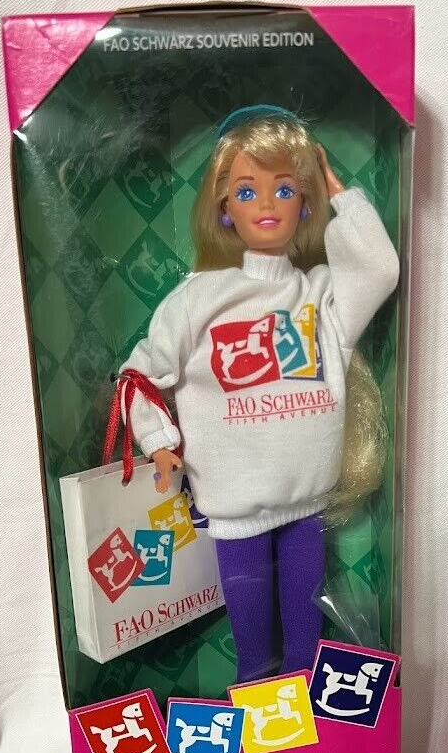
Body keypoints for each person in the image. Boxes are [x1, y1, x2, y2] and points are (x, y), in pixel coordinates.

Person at [119, 105, 400, 683]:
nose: (267, 204)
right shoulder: (199, 299)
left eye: (285, 189)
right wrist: (158, 440)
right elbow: (139, 374)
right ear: (224, 207)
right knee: (252, 641)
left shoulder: (322, 296)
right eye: (247, 191)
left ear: (305, 204)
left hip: (306, 499)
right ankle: (256, 700)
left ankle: (303, 706)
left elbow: (379, 270)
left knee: (305, 633)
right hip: (232, 504)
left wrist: (341, 194)